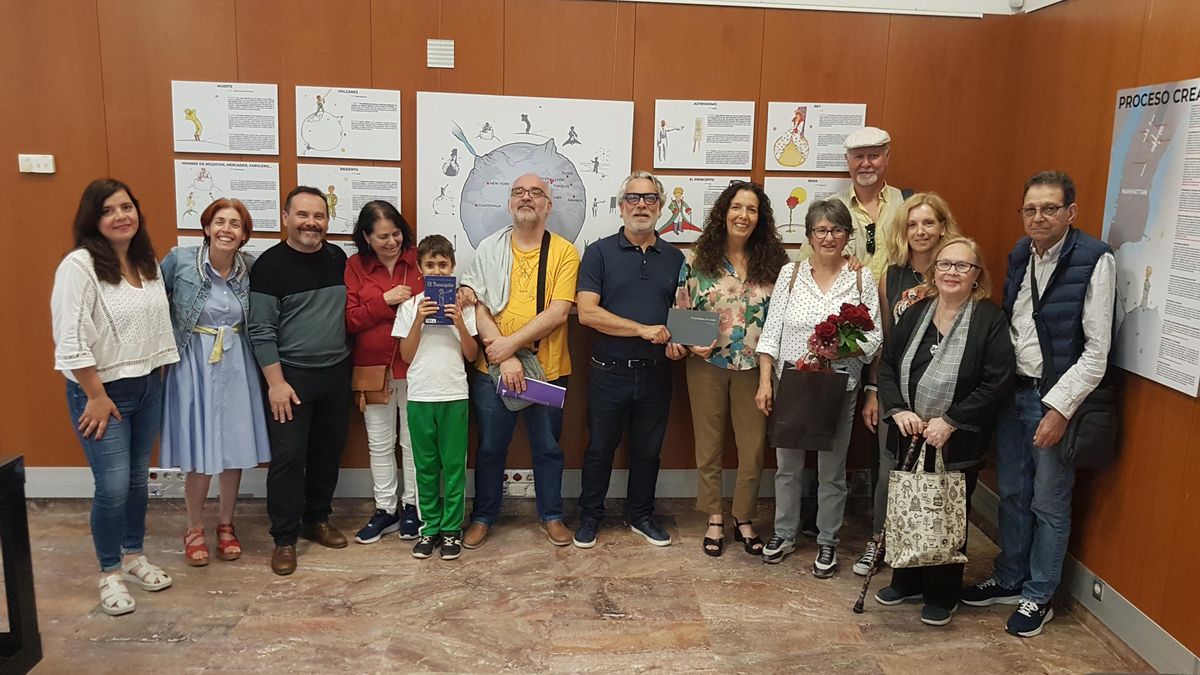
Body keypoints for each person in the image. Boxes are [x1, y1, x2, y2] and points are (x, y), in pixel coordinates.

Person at [961, 171, 1116, 638]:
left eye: (1049, 208)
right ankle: (1010, 577)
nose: (1039, 217)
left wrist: (1060, 409)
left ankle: (1039, 594)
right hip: (1013, 393)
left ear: (1071, 212)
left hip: (1054, 399)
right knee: (1012, 492)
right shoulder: (1018, 254)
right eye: (1030, 209)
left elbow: (1097, 351)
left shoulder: (1094, 259)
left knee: (1049, 501)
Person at [52, 179, 180, 616]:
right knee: (110, 487)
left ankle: (133, 557)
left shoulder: (146, 262)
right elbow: (69, 339)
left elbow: (156, 327)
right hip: (100, 393)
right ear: (94, 219)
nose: (121, 216)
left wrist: (157, 377)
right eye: (109, 210)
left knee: (136, 481)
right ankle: (108, 572)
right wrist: (94, 394)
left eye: (127, 206)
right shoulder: (80, 266)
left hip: (147, 385)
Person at [873, 236, 1015, 626]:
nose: (952, 272)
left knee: (945, 512)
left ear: (976, 275)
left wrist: (951, 419)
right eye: (945, 264)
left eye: (962, 266)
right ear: (934, 271)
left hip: (957, 437)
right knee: (906, 504)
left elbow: (996, 381)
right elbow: (888, 367)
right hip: (910, 431)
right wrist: (898, 410)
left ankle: (942, 592)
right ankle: (906, 580)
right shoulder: (916, 312)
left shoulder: (989, 319)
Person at [756, 199, 881, 577]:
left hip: (839, 386)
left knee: (832, 470)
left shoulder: (861, 279)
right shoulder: (791, 274)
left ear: (847, 235)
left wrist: (841, 347)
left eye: (837, 230)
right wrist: (765, 381)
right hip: (792, 381)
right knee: (788, 467)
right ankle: (784, 533)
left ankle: (828, 540)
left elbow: (874, 341)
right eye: (821, 230)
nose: (829, 237)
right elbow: (771, 333)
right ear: (809, 235)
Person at [458, 173, 580, 549]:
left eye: (536, 193)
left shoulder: (563, 252)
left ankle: (552, 515)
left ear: (549, 204)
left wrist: (509, 347)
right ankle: (482, 516)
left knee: (547, 447)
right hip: (490, 369)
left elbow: (559, 312)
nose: (526, 198)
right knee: (491, 447)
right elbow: (474, 301)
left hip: (547, 368)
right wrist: (502, 353)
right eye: (518, 192)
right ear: (510, 202)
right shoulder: (488, 249)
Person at [574, 171, 687, 549]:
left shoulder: (675, 258)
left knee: (648, 451)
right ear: (621, 206)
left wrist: (679, 343)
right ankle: (590, 516)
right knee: (599, 449)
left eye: (650, 199)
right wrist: (642, 330)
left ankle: (641, 515)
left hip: (656, 374)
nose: (642, 205)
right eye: (634, 198)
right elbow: (588, 313)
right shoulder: (599, 252)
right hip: (608, 373)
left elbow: (681, 316)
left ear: (661, 207)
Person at [675, 181, 788, 557]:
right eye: (737, 208)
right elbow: (682, 311)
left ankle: (743, 516)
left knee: (753, 449)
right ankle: (714, 517)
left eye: (752, 210)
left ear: (761, 217)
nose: (744, 216)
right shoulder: (695, 260)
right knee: (708, 446)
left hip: (757, 369)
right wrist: (690, 342)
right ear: (724, 213)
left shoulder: (776, 265)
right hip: (706, 364)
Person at [855, 193, 962, 576]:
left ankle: (927, 553)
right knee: (890, 471)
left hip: (944, 393)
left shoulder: (956, 270)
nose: (920, 231)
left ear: (942, 227)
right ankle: (880, 540)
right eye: (913, 224)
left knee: (937, 474)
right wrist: (873, 391)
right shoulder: (893, 275)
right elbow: (884, 340)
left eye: (928, 223)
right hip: (897, 391)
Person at [160, 198, 270, 567]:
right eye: (219, 221)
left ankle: (226, 524)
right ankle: (193, 527)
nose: (227, 229)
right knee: (199, 449)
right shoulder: (179, 260)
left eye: (235, 224)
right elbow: (154, 303)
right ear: (206, 227)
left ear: (244, 234)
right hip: (194, 361)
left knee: (233, 447)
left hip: (236, 361)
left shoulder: (250, 268)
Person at [249, 186, 352, 576]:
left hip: (336, 372)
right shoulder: (270, 266)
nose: (311, 223)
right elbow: (260, 330)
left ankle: (317, 520)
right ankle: (284, 539)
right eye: (303, 215)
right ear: (285, 218)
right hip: (290, 378)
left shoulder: (336, 257)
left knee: (328, 452)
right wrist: (275, 382)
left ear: (328, 220)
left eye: (319, 216)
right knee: (289, 459)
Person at [393, 235, 478, 560]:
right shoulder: (409, 306)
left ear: (452, 267)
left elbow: (471, 356)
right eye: (431, 265)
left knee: (454, 466)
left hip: (454, 394)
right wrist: (418, 319)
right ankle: (429, 528)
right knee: (425, 466)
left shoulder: (462, 307)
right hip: (420, 396)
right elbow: (406, 354)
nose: (438, 270)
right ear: (420, 269)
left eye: (443, 265)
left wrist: (459, 322)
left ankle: (451, 530)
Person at [344, 201, 425, 544]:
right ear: (366, 237)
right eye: (381, 237)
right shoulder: (355, 266)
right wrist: (385, 302)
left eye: (395, 234)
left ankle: (412, 508)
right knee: (378, 443)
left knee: (411, 442)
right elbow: (349, 319)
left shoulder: (419, 260)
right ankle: (384, 509)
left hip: (416, 366)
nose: (391, 242)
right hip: (371, 369)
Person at [833, 127, 904, 281]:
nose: (866, 164)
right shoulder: (830, 208)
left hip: (895, 302)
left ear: (887, 157)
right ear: (847, 160)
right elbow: (810, 262)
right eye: (858, 157)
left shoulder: (906, 203)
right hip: (847, 302)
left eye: (873, 156)